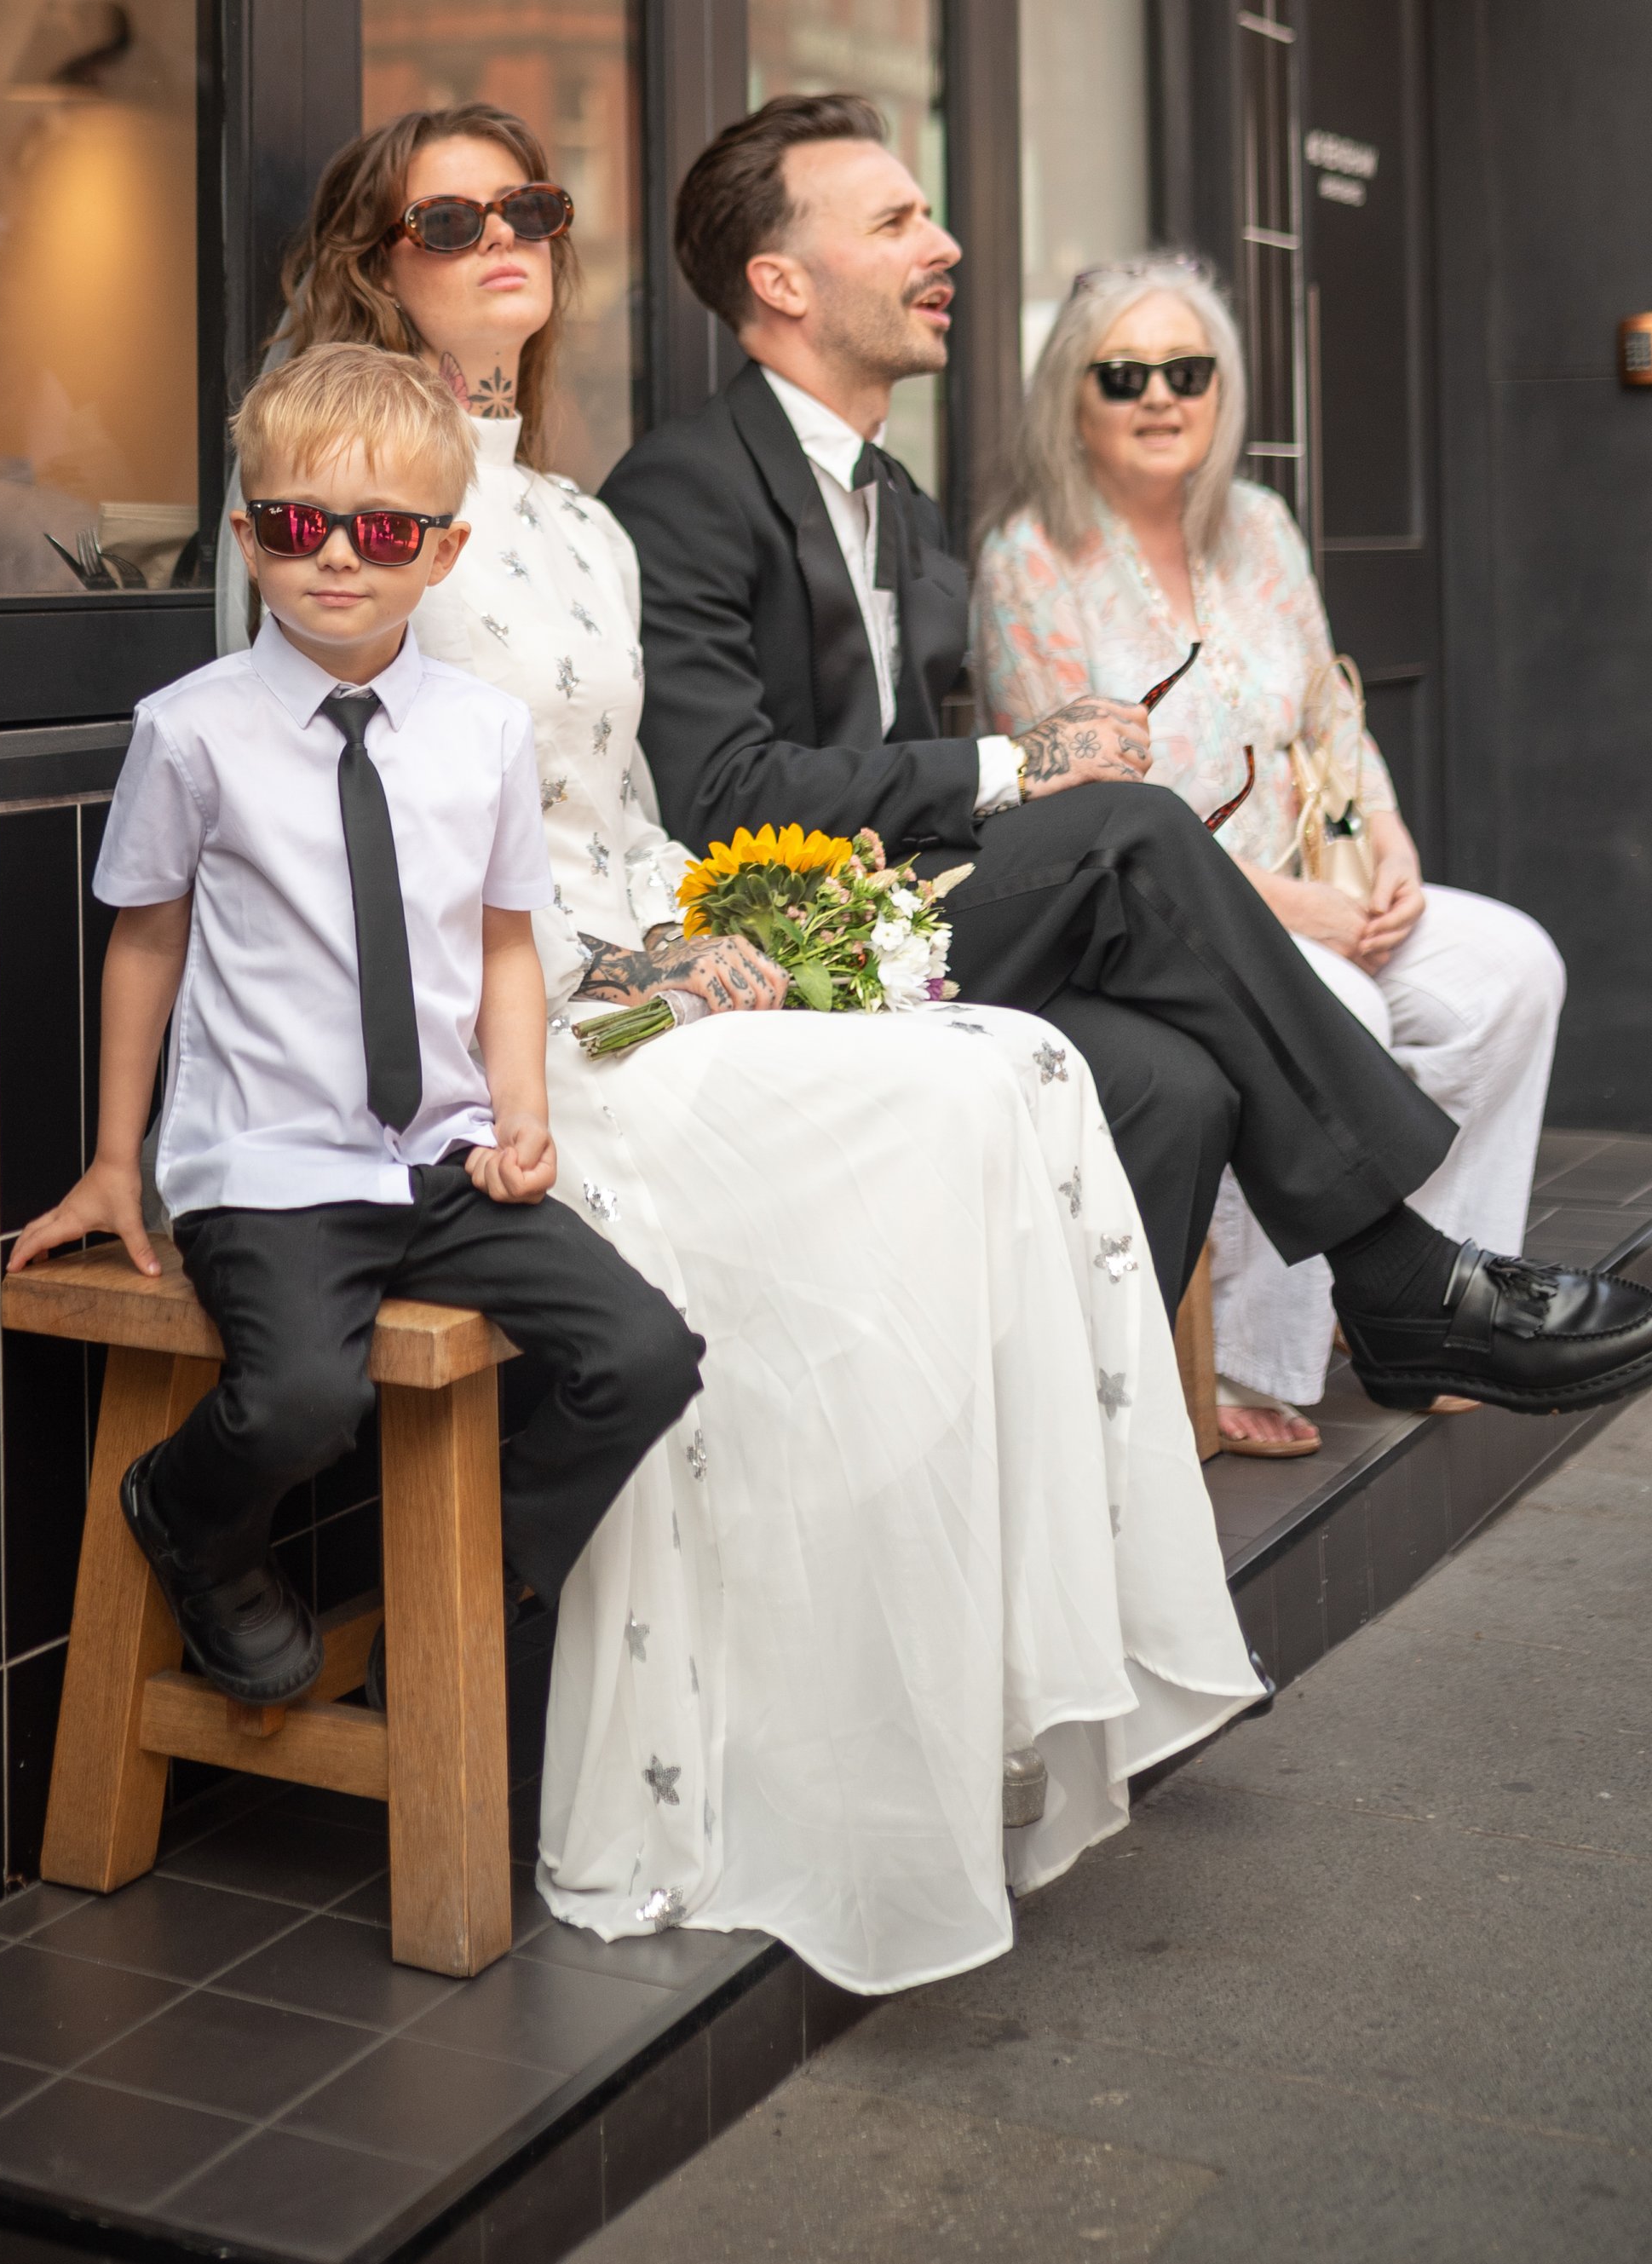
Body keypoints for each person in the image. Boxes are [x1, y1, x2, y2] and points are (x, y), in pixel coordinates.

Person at [259, 101, 1264, 1997]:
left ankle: (935, 1710)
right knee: (946, 1105)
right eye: (449, 218)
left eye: (531, 208)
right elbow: (370, 830)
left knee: (1012, 1072)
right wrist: (618, 982)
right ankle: (787, 1751)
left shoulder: (561, 516)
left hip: (633, 966)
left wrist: (709, 935)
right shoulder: (342, 508)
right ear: (371, 265)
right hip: (510, 1031)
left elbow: (632, 808)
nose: (503, 242)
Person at [601, 90, 1652, 1421]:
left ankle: (1091, 1463)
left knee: (1177, 1082)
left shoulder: (898, 500)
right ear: (779, 282)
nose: (944, 244)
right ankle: (1404, 1278)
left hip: (899, 908)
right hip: (771, 944)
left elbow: (1315, 716)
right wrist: (1013, 766)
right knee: (1125, 823)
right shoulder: (684, 486)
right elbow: (721, 794)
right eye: (897, 220)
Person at [5, 342, 704, 1706]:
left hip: (440, 1158)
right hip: (269, 1165)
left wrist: (523, 1120)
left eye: (382, 529)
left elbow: (505, 943)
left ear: (440, 553)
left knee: (643, 1353)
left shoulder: (485, 733)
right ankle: (189, 1517)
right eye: (295, 523)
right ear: (246, 529)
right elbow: (144, 940)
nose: (338, 556)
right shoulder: (191, 730)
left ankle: (478, 1593)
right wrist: (114, 1156)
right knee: (304, 1404)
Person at [973, 252, 1569, 1459]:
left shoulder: (1260, 525)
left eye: (1186, 370)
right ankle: (1257, 1352)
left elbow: (1327, 716)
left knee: (1515, 966)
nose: (1160, 396)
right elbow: (1087, 808)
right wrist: (1293, 907)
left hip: (1327, 877)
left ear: (1221, 388)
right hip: (1160, 919)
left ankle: (1429, 1306)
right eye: (1124, 373)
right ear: (1069, 398)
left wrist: (1386, 842)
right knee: (1334, 999)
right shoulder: (1028, 561)